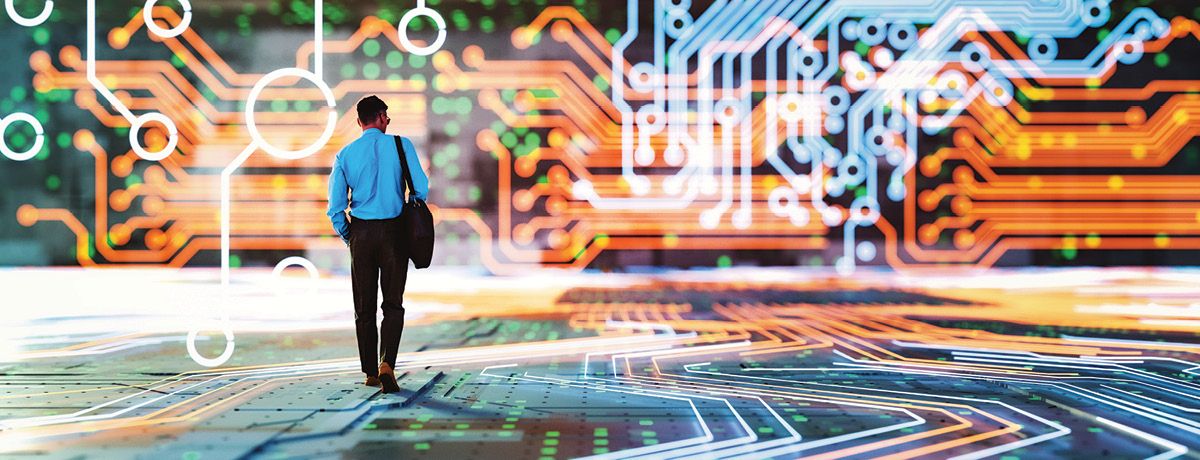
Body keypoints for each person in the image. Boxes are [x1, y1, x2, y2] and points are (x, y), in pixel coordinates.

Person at [327, 95, 430, 393]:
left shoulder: (345, 154)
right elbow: (420, 188)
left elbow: (335, 207)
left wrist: (350, 235)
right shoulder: (401, 145)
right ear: (383, 117)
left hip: (360, 233)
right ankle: (388, 364)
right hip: (395, 233)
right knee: (393, 304)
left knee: (364, 307)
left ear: (359, 122)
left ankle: (370, 372)